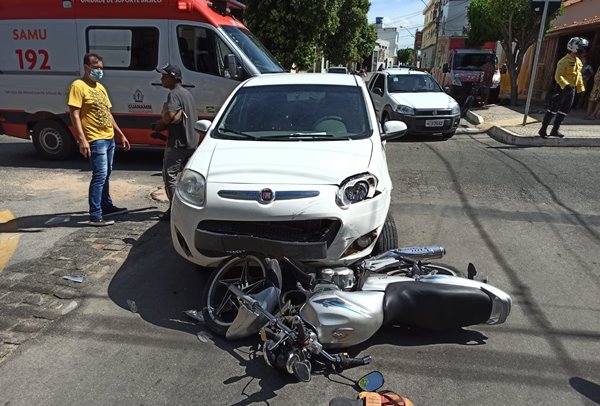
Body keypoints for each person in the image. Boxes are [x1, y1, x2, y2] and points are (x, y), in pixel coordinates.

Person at [68, 53, 131, 227]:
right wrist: (82, 139)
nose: (100, 71)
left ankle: (107, 206)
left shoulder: (100, 87)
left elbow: (108, 113)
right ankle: (95, 215)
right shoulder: (78, 86)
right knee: (99, 175)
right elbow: (74, 113)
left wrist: (120, 134)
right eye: (97, 68)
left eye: (102, 68)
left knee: (107, 174)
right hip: (95, 138)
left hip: (108, 137)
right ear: (87, 67)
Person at [153, 64, 198, 221]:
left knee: (170, 174)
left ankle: (175, 209)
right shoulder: (187, 93)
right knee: (187, 177)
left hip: (178, 143)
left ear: (173, 77)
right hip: (192, 142)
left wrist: (161, 123)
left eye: (164, 76)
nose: (161, 79)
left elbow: (171, 116)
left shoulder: (174, 95)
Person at [538, 37, 589, 139]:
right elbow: (558, 75)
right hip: (562, 88)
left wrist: (580, 89)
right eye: (582, 49)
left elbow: (578, 76)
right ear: (575, 48)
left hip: (572, 90)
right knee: (553, 109)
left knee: (564, 110)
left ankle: (555, 130)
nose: (584, 51)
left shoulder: (578, 62)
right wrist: (565, 85)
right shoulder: (564, 61)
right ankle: (543, 129)